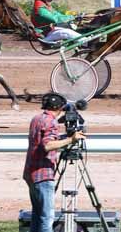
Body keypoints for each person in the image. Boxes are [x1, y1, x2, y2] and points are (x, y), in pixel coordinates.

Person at [23, 93, 85, 232]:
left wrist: (63, 138)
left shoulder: (37, 118)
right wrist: (71, 140)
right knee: (46, 217)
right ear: (59, 107)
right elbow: (48, 145)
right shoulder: (51, 121)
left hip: (31, 172)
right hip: (43, 174)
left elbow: (41, 140)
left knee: (37, 214)